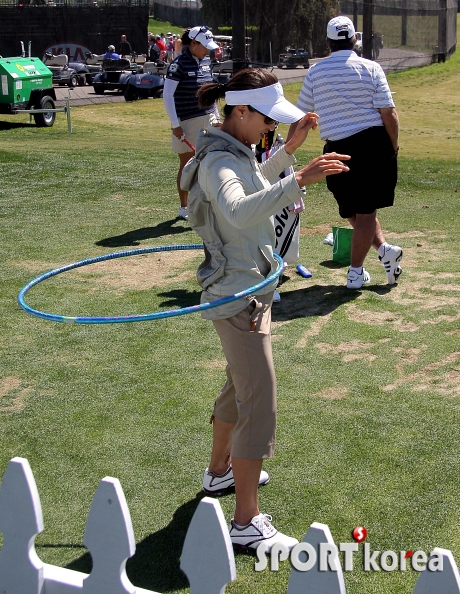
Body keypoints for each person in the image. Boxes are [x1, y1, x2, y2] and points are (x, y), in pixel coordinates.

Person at [181, 68, 350, 551]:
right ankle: (246, 522)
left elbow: (253, 184)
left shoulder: (234, 150)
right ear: (240, 111)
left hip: (249, 287)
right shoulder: (218, 162)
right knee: (261, 403)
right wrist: (298, 178)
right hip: (239, 296)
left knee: (240, 388)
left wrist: (289, 154)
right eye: (267, 121)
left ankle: (218, 473)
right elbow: (238, 210)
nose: (270, 128)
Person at [289, 16, 402, 289]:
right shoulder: (371, 67)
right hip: (372, 145)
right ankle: (385, 251)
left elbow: (299, 115)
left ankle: (355, 273)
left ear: (328, 43)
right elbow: (389, 114)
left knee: (362, 213)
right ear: (354, 40)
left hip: (338, 147)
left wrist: (287, 149)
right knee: (354, 212)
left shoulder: (316, 71)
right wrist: (394, 147)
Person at [163, 26, 220, 221]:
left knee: (210, 162)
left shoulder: (206, 61)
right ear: (193, 44)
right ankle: (184, 207)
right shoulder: (178, 64)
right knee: (187, 165)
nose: (208, 50)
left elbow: (210, 91)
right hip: (187, 121)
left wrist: (216, 116)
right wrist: (174, 124)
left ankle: (208, 203)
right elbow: (168, 94)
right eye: (205, 46)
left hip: (209, 118)